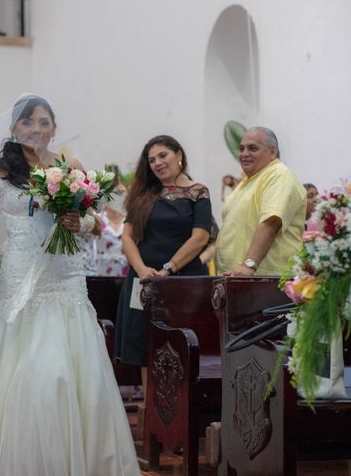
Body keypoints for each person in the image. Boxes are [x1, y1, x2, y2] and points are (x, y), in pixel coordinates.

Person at [0, 94, 139, 476]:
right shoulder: (0, 169)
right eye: (29, 122)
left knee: (68, 353)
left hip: (65, 270)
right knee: (22, 355)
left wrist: (81, 222)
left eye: (44, 123)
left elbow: (95, 220)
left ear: (54, 128)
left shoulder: (69, 166)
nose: (37, 130)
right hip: (21, 265)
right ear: (15, 128)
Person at [114, 135, 212, 401]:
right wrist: (143, 269)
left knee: (182, 345)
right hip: (143, 280)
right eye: (152, 160)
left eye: (163, 155)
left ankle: (183, 415)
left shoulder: (198, 192)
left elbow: (200, 238)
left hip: (183, 280)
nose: (157, 163)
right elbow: (127, 238)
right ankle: (152, 416)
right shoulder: (143, 194)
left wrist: (168, 269)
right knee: (146, 346)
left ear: (178, 154)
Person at [215, 127, 306, 276]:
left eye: (252, 148)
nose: (244, 154)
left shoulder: (279, 175)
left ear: (272, 152)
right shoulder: (246, 182)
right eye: (241, 148)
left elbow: (271, 222)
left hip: (266, 279)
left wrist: (249, 265)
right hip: (236, 279)